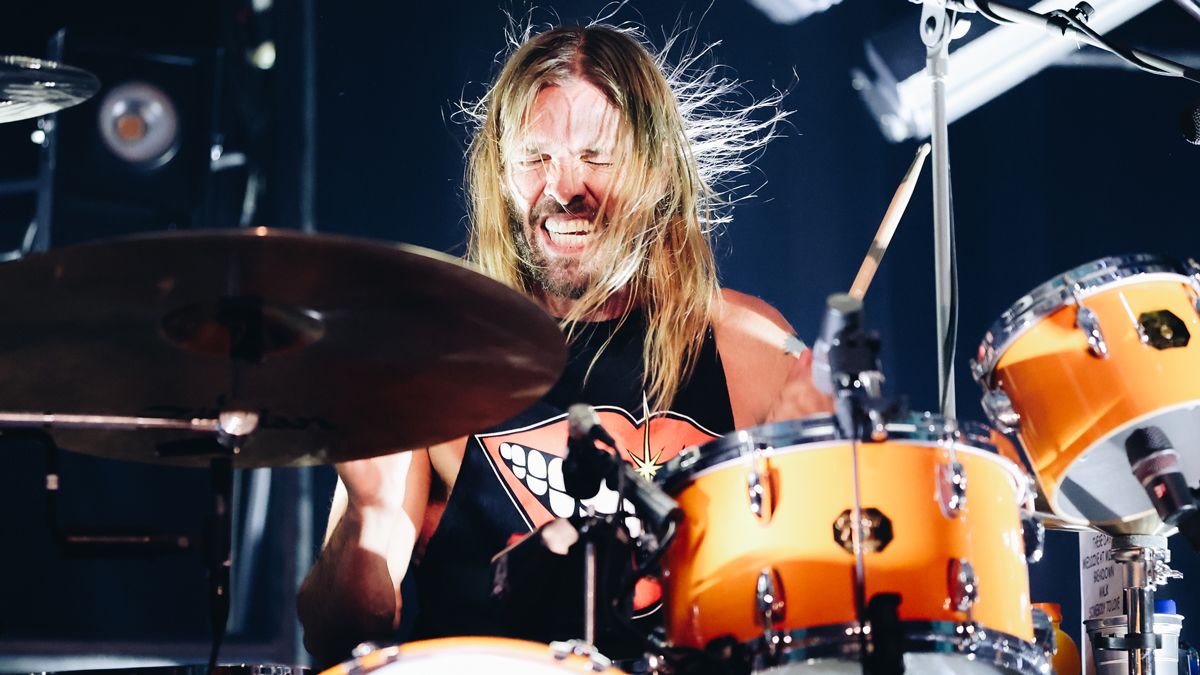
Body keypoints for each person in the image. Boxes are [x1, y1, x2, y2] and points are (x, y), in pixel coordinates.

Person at [297, 22, 831, 665]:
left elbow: (812, 619)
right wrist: (370, 517)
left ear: (658, 170)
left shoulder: (747, 349)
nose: (564, 189)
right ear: (499, 171)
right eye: (535, 158)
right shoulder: (431, 352)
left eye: (597, 158)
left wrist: (817, 489)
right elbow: (333, 637)